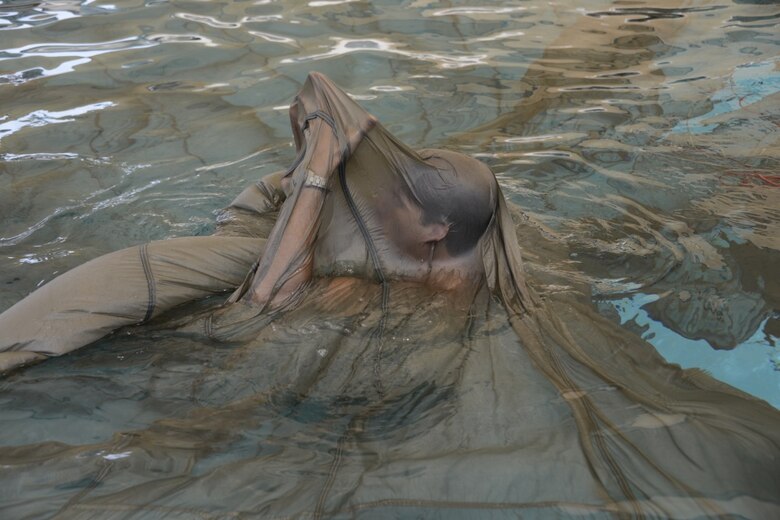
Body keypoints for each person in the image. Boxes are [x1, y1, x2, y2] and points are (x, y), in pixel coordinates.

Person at [0, 73, 778, 519]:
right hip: (353, 378)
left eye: (401, 194)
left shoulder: (405, 303)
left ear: (434, 230)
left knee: (155, 454)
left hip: (322, 401)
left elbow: (262, 308)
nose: (384, 196)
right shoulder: (483, 251)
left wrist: (313, 175)